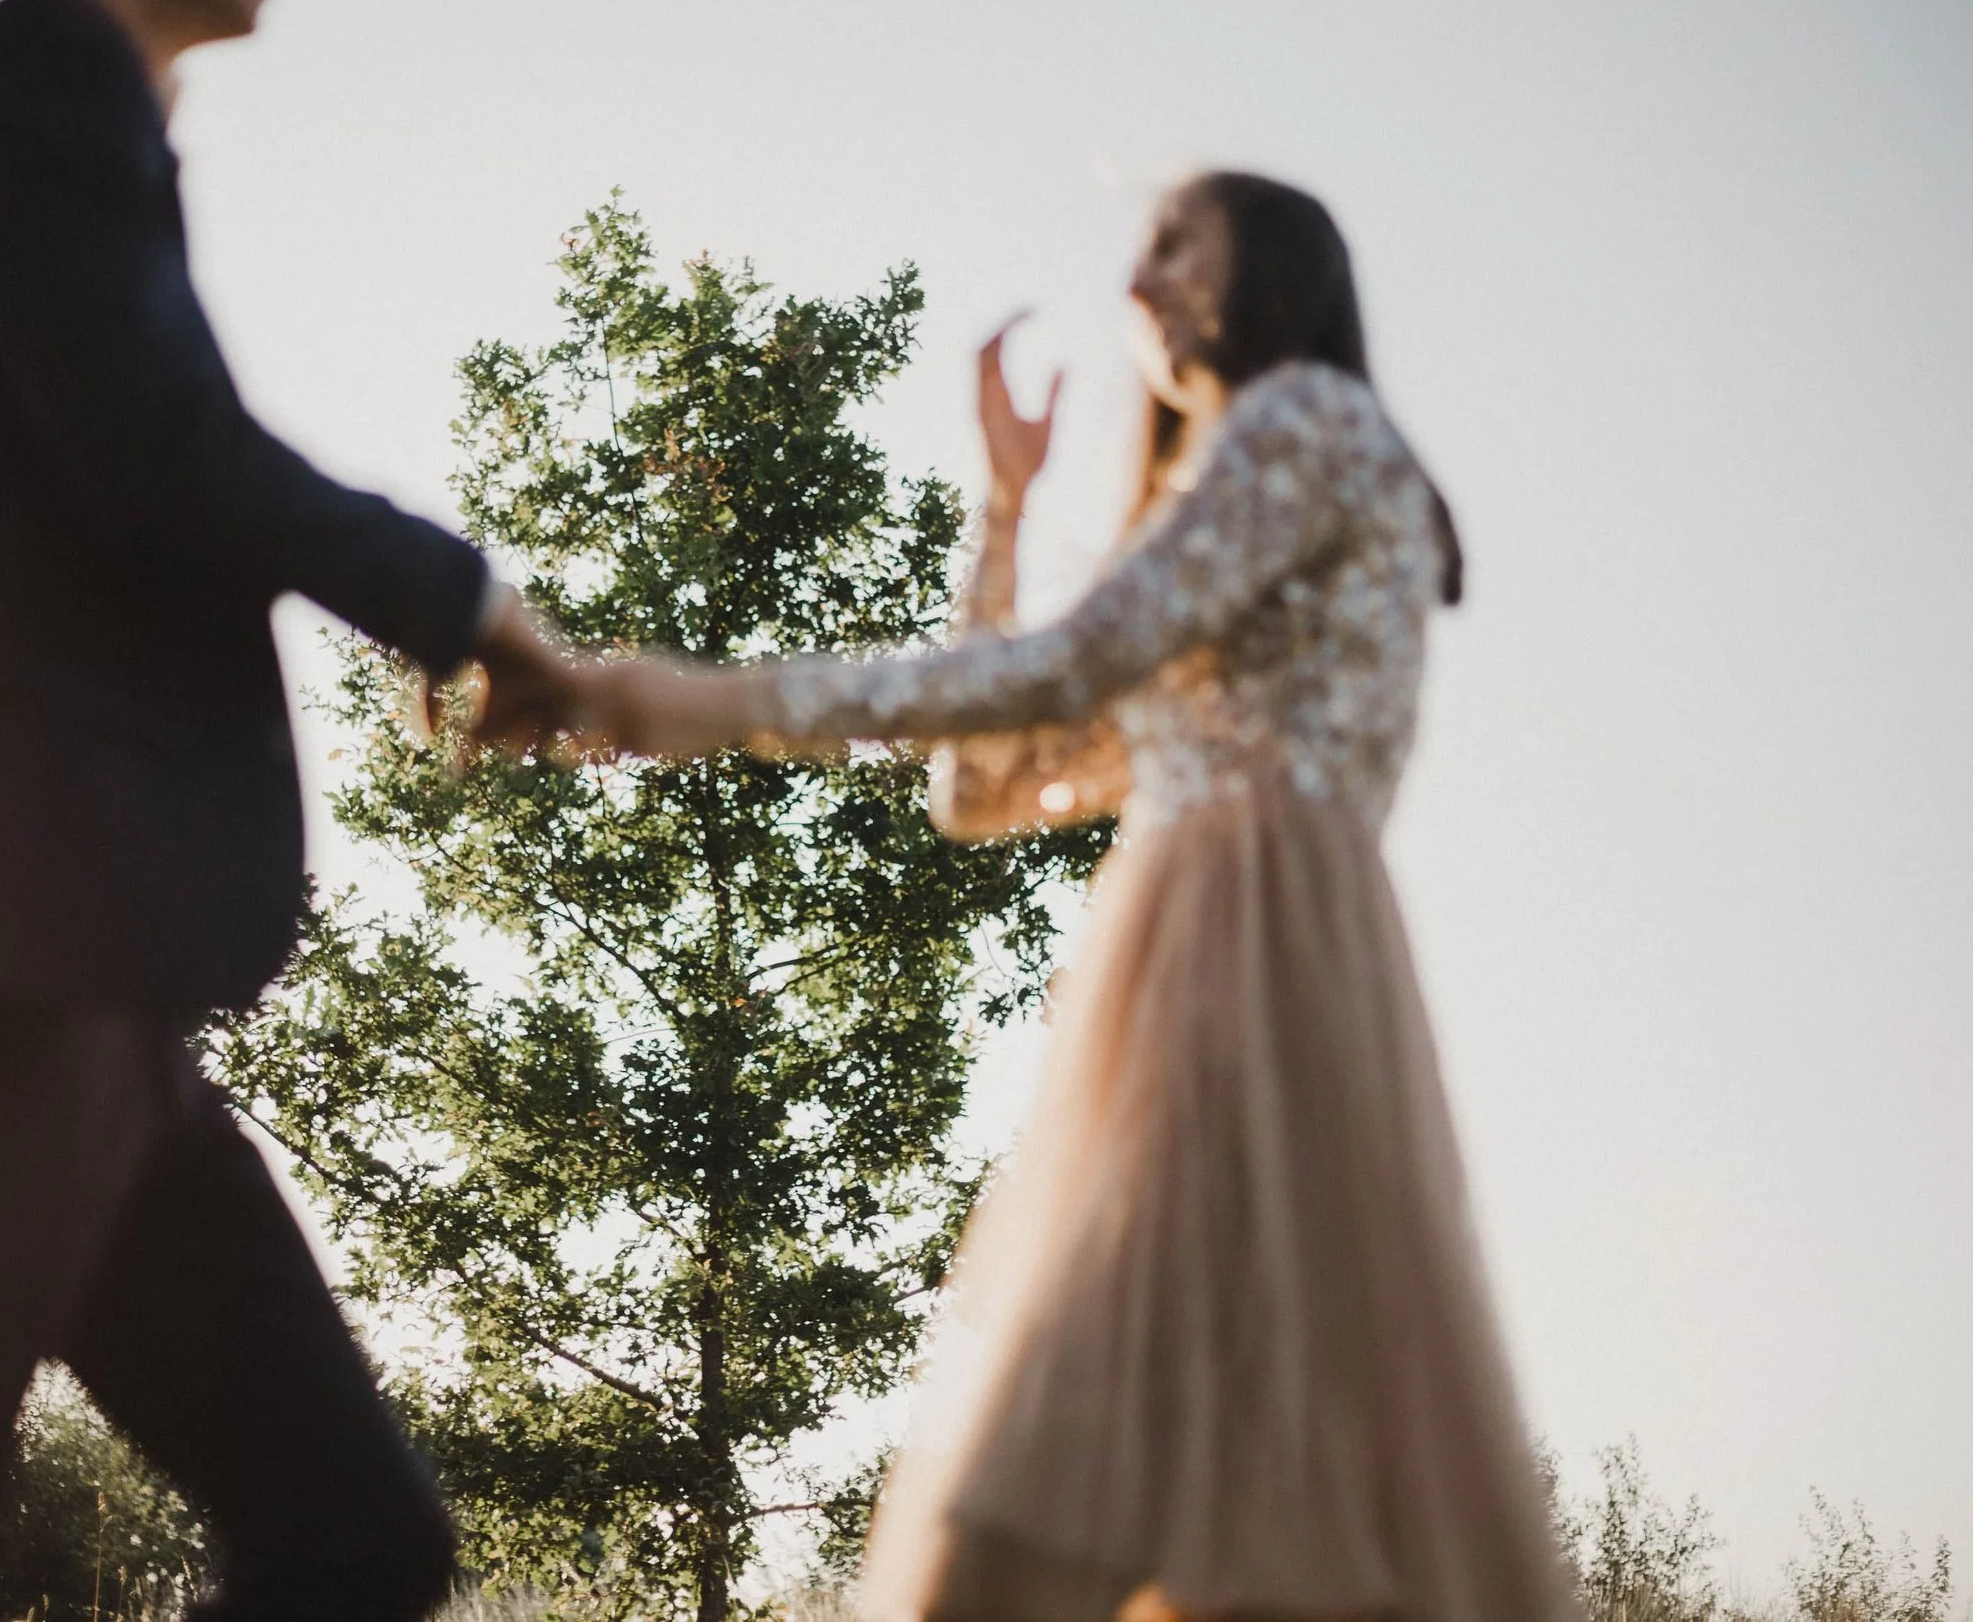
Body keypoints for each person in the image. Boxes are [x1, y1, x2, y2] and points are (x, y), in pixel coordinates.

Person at [0, 0, 579, 1618]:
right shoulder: (21, 88)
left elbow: (128, 472)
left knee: (358, 1539)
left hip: (76, 977)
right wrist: (465, 603)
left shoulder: (46, 109)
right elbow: (167, 453)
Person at [581, 173, 1578, 1622]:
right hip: (1197, 957)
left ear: (1278, 270)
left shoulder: (1303, 418)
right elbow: (980, 790)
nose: (1141, 274)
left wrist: (690, 697)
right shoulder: (1227, 535)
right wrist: (1003, 507)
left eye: (1177, 238)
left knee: (1096, 1469)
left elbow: (1064, 665)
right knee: (1199, 1473)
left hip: (1258, 943)